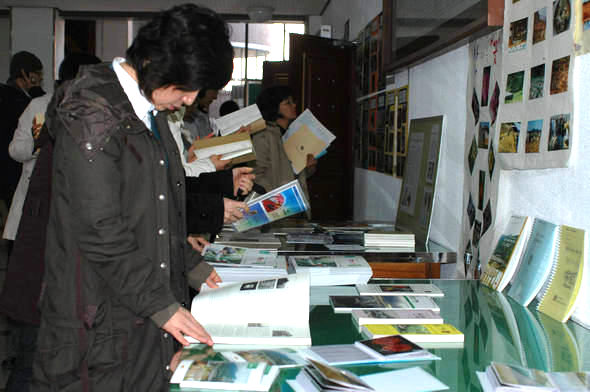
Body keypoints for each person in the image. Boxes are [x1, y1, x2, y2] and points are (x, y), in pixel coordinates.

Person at [31, 4, 233, 391]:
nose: (190, 100)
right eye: (186, 87)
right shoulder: (92, 111)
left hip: (135, 309)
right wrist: (164, 306)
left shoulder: (147, 112)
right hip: (96, 320)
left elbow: (155, 212)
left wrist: (191, 265)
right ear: (157, 63)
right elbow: (100, 228)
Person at [0, 53, 101, 392]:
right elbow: (17, 150)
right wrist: (38, 143)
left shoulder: (82, 116)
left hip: (52, 238)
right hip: (34, 228)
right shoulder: (43, 108)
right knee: (32, 345)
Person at [0, 51, 44, 249]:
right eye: (37, 73)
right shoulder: (22, 101)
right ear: (26, 74)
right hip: (13, 170)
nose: (41, 78)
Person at [252, 86, 317, 217]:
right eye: (288, 103)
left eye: (293, 101)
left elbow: (291, 173)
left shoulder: (291, 134)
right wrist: (279, 197)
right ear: (274, 107)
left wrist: (308, 168)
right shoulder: (263, 135)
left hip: (296, 206)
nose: (294, 105)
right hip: (279, 210)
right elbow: (257, 176)